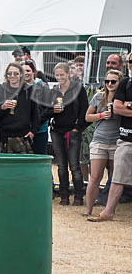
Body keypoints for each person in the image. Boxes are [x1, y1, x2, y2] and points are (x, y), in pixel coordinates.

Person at [90, 53, 132, 221]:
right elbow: (118, 108)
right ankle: (108, 212)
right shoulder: (125, 83)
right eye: (130, 61)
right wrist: (125, 105)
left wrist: (127, 105)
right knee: (116, 179)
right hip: (125, 138)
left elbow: (122, 107)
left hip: (116, 139)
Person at [84, 69, 122, 217]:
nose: (110, 84)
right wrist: (101, 115)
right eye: (107, 81)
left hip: (117, 141)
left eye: (113, 81)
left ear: (120, 82)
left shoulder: (122, 100)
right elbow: (87, 117)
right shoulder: (99, 97)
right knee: (95, 177)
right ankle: (88, 210)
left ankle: (109, 209)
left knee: (114, 177)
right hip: (99, 139)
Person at [50, 62, 89, 206]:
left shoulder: (78, 89)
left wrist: (77, 129)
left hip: (72, 131)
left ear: (68, 74)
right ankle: (64, 195)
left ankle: (78, 196)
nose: (59, 77)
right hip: (56, 131)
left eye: (62, 74)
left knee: (74, 166)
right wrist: (52, 110)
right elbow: (45, 111)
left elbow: (85, 111)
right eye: (57, 75)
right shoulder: (54, 91)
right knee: (60, 166)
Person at [0, 62, 40, 153]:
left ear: (21, 74)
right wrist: (2, 108)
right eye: (9, 73)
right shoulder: (0, 90)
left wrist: (33, 131)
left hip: (24, 135)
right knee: (7, 165)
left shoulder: (29, 90)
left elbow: (36, 114)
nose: (12, 76)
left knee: (24, 165)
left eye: (16, 73)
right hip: (6, 136)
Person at [21, 59, 51, 155]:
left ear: (34, 72)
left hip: (40, 130)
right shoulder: (18, 88)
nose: (25, 73)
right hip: (23, 130)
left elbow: (48, 108)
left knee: (39, 157)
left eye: (28, 71)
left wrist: (35, 125)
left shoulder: (43, 86)